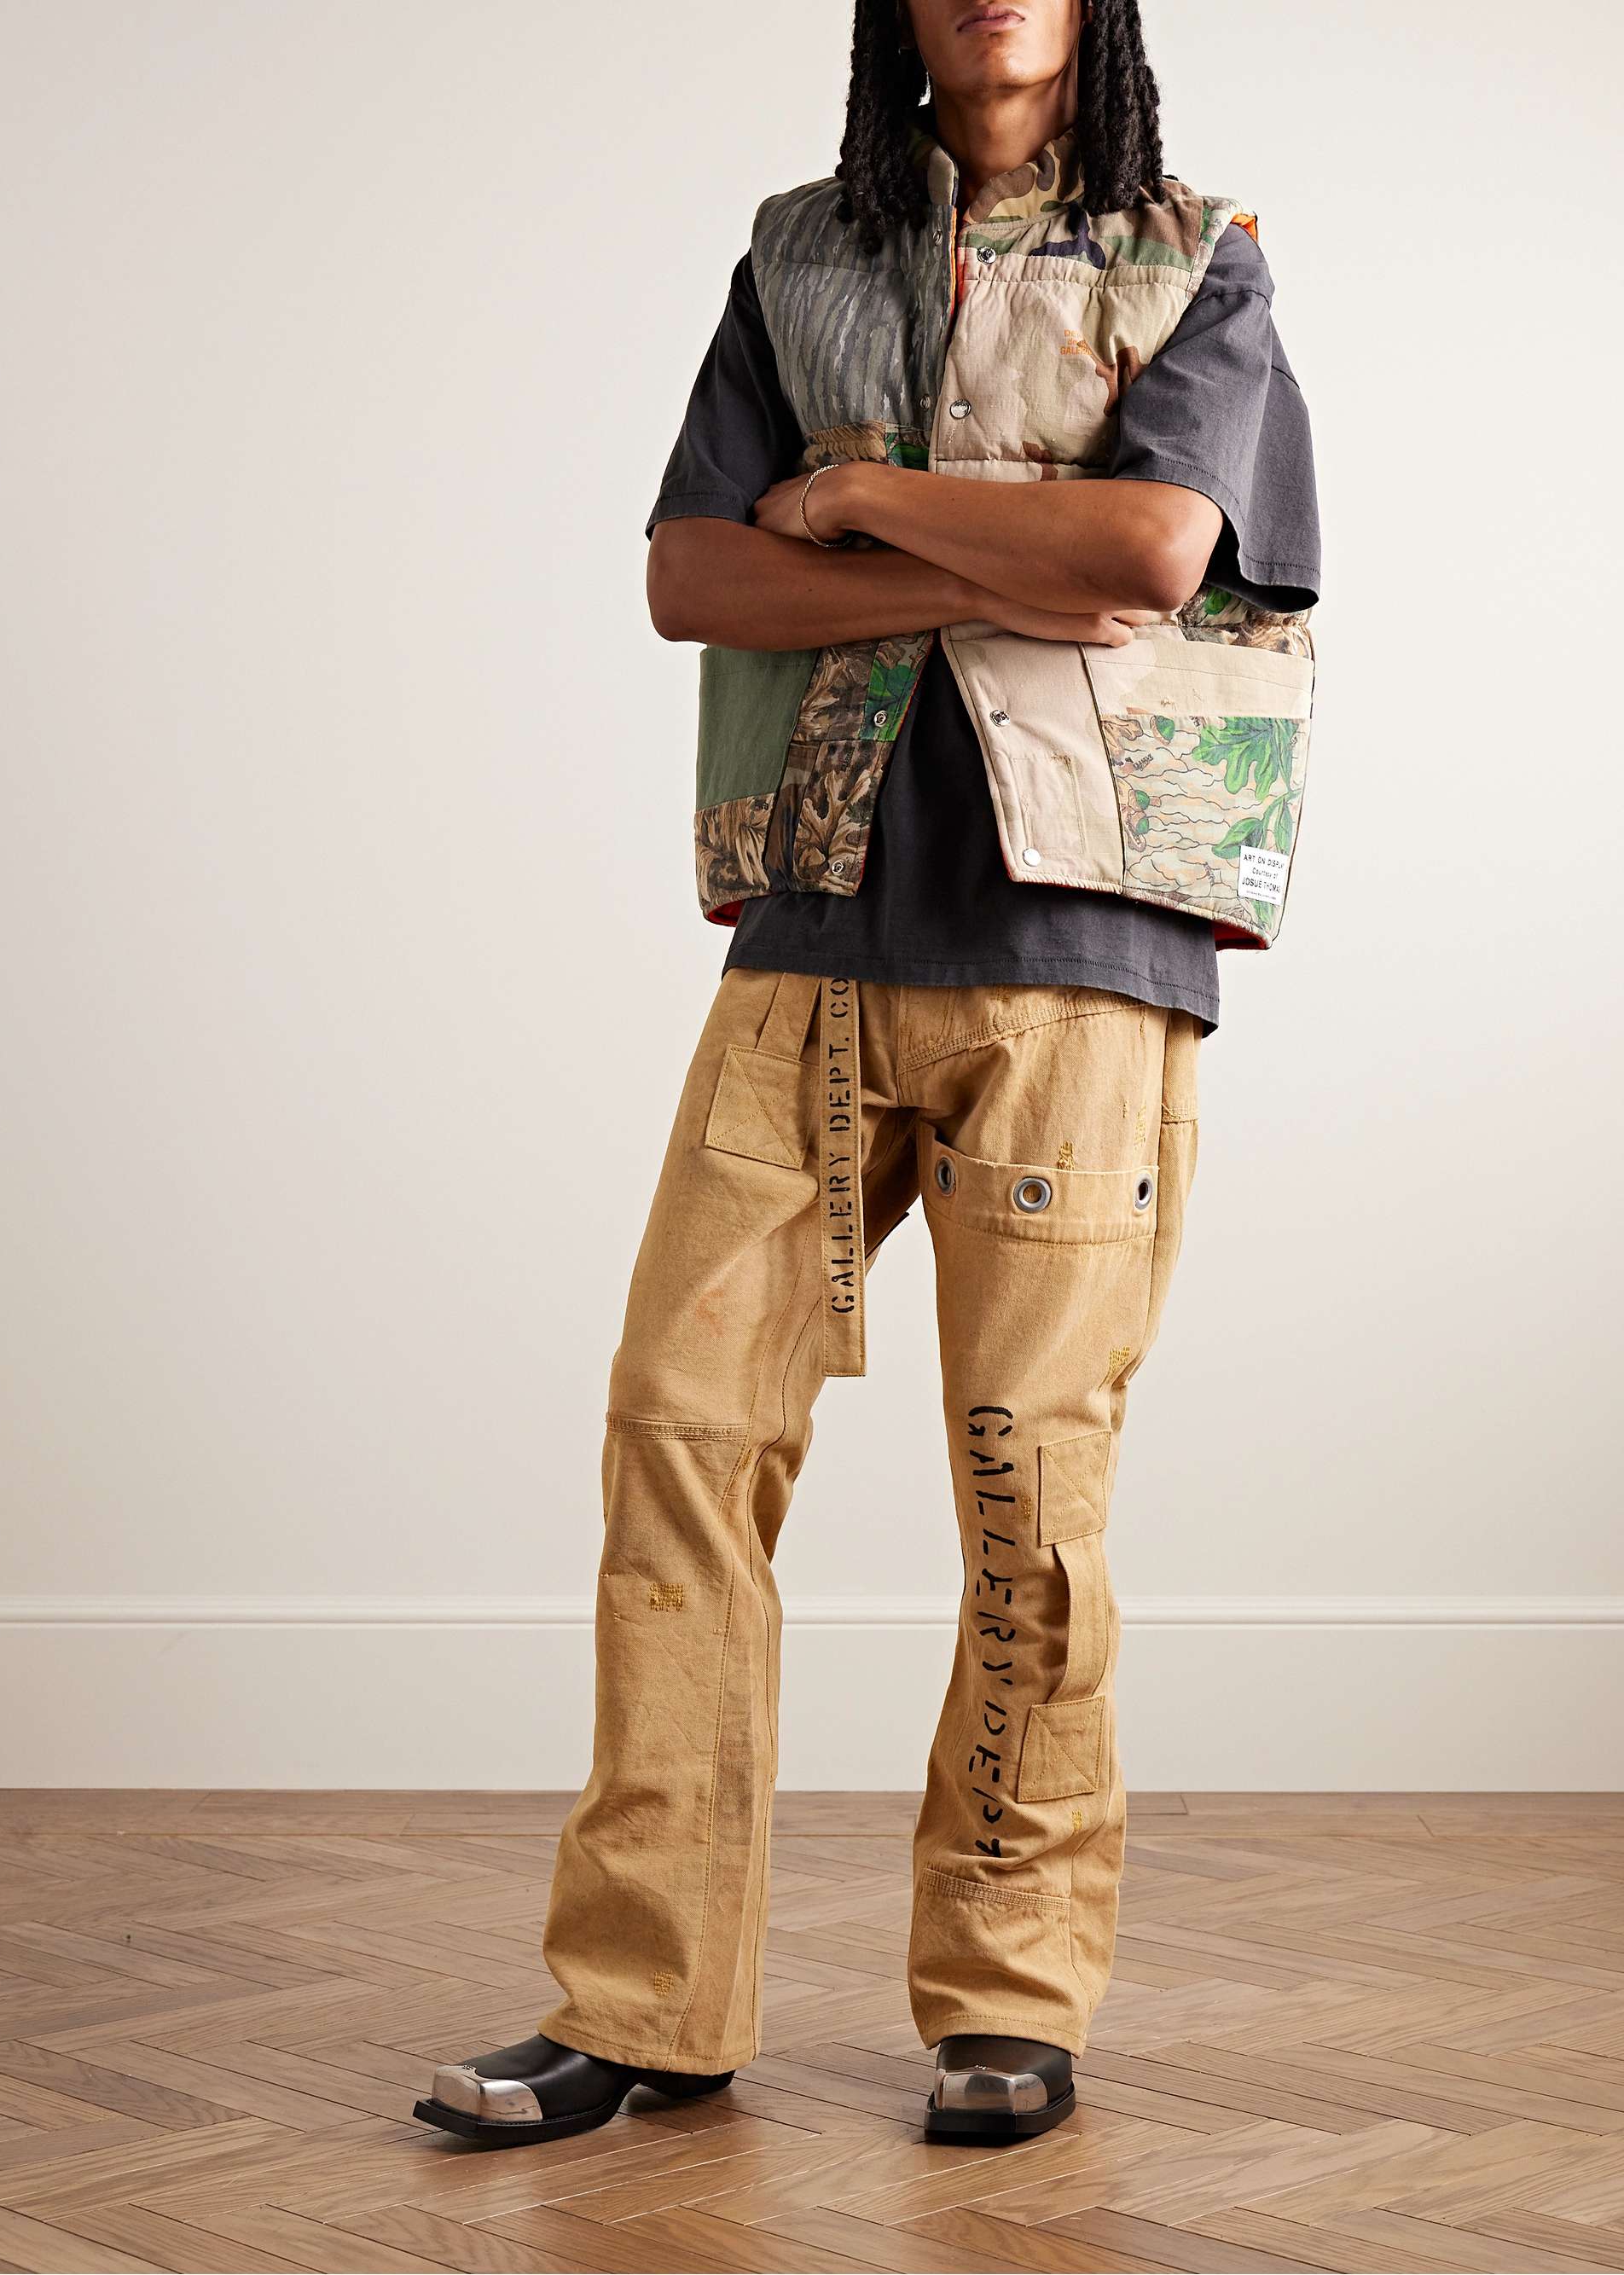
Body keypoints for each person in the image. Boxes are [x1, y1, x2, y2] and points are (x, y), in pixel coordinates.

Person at [416, 0, 1320, 2150]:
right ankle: (643, 1998)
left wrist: (852, 506)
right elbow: (691, 576)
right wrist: (996, 552)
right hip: (810, 929)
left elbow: (1153, 560)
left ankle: (1007, 1995)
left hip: (1079, 948)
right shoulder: (795, 253)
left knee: (1027, 1484)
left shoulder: (1197, 255)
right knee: (680, 1432)